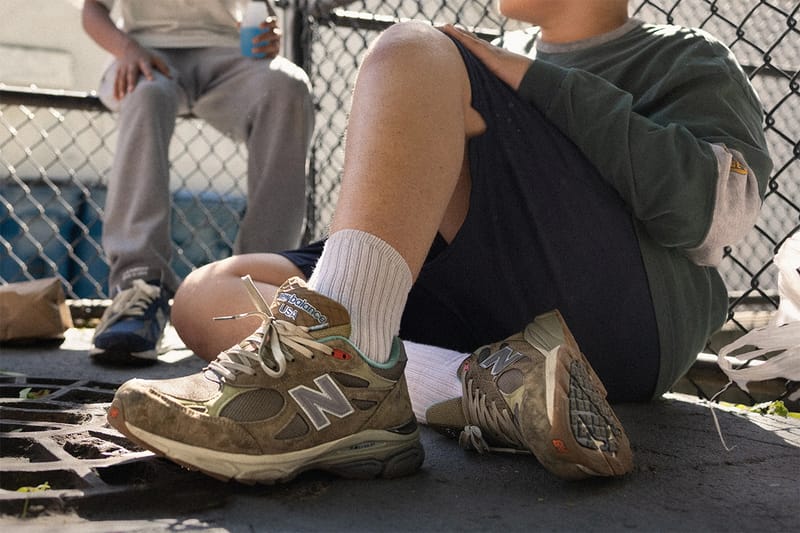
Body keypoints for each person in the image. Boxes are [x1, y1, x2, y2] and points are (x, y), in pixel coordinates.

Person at [105, 0, 772, 482]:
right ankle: (474, 388)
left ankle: (347, 358)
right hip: (489, 313)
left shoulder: (686, 57)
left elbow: (715, 212)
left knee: (410, 49)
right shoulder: (475, 60)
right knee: (207, 295)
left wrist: (525, 77)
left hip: (626, 323)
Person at [81, 0, 314, 365]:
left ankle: (259, 288)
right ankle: (138, 288)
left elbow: (261, 8)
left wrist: (269, 30)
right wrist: (127, 48)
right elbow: (92, 8)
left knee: (288, 86)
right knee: (145, 94)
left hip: (227, 53)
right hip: (146, 50)